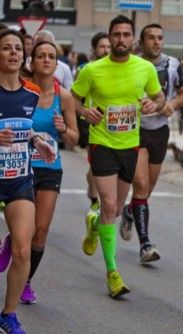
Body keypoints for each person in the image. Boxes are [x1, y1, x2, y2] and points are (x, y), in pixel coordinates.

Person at [71, 15, 165, 298]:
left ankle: (95, 221)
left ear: (133, 39)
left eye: (126, 35)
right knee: (111, 205)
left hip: (130, 146)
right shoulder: (92, 70)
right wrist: (84, 112)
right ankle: (112, 273)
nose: (121, 40)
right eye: (116, 35)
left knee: (114, 207)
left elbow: (159, 97)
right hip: (102, 144)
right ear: (109, 38)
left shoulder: (145, 68)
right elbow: (72, 99)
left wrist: (153, 103)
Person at [119, 23, 183, 262]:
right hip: (136, 130)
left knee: (146, 189)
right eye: (151, 38)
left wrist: (173, 104)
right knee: (140, 184)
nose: (156, 42)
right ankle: (146, 245)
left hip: (160, 130)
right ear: (141, 40)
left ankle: (130, 210)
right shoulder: (131, 63)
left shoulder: (173, 64)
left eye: (160, 38)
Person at [0, 28, 55, 334]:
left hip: (20, 178)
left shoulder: (31, 92)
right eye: (6, 48)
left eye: (17, 49)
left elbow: (25, 128)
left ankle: (8, 314)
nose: (13, 53)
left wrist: (37, 142)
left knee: (24, 249)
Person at [19, 40, 79, 304]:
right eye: (40, 55)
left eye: (51, 56)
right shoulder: (21, 90)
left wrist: (63, 129)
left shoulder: (64, 96)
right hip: (22, 168)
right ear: (32, 62)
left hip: (50, 169)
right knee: (24, 229)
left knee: (41, 231)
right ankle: (13, 243)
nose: (46, 60)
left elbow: (75, 139)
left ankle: (26, 281)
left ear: (57, 63)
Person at [75, 32, 111, 217]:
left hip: (113, 125)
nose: (105, 50)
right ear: (94, 49)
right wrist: (84, 113)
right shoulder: (86, 70)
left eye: (108, 46)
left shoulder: (117, 69)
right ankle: (94, 196)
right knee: (96, 165)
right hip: (91, 124)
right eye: (101, 47)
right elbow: (74, 98)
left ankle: (98, 194)